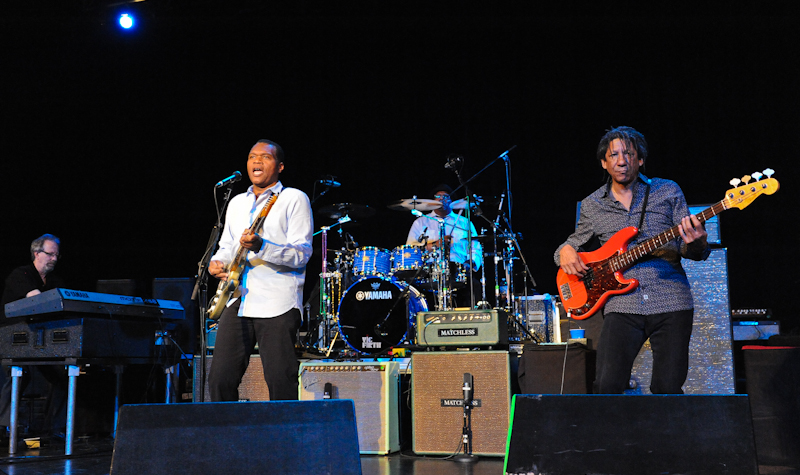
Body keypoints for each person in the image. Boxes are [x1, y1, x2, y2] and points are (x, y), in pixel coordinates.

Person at [555, 126, 710, 394]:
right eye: (613, 155)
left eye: (628, 154)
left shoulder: (667, 191)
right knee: (606, 385)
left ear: (640, 159)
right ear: (604, 163)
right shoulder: (593, 204)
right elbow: (572, 244)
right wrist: (565, 251)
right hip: (622, 304)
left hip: (670, 297)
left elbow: (694, 253)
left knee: (667, 388)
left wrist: (696, 241)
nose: (621, 160)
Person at [207, 139, 313, 402]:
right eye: (252, 156)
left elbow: (302, 254)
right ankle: (228, 439)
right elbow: (227, 246)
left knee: (280, 378)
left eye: (265, 157)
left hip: (277, 301)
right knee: (220, 378)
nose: (256, 161)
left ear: (280, 166)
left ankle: (285, 440)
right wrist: (217, 263)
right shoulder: (236, 203)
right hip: (238, 299)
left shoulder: (293, 198)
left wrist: (261, 246)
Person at [1, 234, 68, 440]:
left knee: (61, 376)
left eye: (57, 255)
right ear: (37, 253)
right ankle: (3, 426)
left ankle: (50, 429)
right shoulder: (20, 274)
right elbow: (38, 301)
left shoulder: (55, 281)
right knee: (20, 374)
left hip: (41, 338)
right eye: (50, 254)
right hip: (13, 336)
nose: (54, 259)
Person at [406, 184, 482, 308]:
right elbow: (410, 252)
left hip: (459, 270)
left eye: (446, 197)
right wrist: (435, 244)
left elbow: (476, 248)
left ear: (452, 202)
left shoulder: (464, 222)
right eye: (438, 196)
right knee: (412, 288)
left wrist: (470, 263)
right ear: (431, 201)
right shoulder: (421, 222)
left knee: (475, 286)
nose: (442, 199)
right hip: (429, 272)